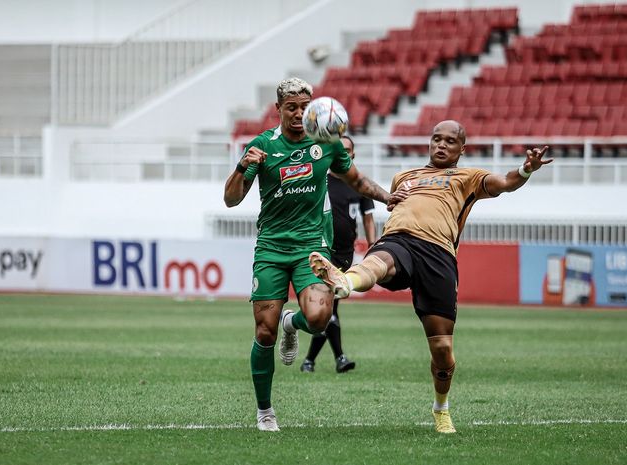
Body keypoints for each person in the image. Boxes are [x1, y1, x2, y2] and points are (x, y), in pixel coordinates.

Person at [309, 120, 552, 433]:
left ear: (462, 149)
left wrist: (526, 169)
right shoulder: (404, 176)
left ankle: (441, 408)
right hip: (398, 238)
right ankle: (345, 281)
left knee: (442, 349)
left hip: (438, 254)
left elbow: (506, 182)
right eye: (437, 139)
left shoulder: (469, 177)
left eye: (450, 141)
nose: (441, 145)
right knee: (379, 262)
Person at [223, 77, 396, 432]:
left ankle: (294, 323)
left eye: (304, 107)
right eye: (292, 108)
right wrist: (243, 165)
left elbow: (358, 181)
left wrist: (386, 197)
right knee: (265, 334)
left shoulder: (327, 144)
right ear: (279, 110)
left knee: (318, 319)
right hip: (271, 248)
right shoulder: (263, 146)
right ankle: (265, 411)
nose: (299, 114)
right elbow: (231, 198)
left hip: (311, 247)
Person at [300, 135, 377, 374]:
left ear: (352, 155)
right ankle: (338, 358)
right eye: (338, 148)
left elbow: (368, 218)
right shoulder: (320, 180)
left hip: (345, 255)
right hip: (322, 252)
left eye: (347, 150)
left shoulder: (358, 184)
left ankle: (312, 360)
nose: (342, 153)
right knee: (329, 307)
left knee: (329, 309)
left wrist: (373, 247)